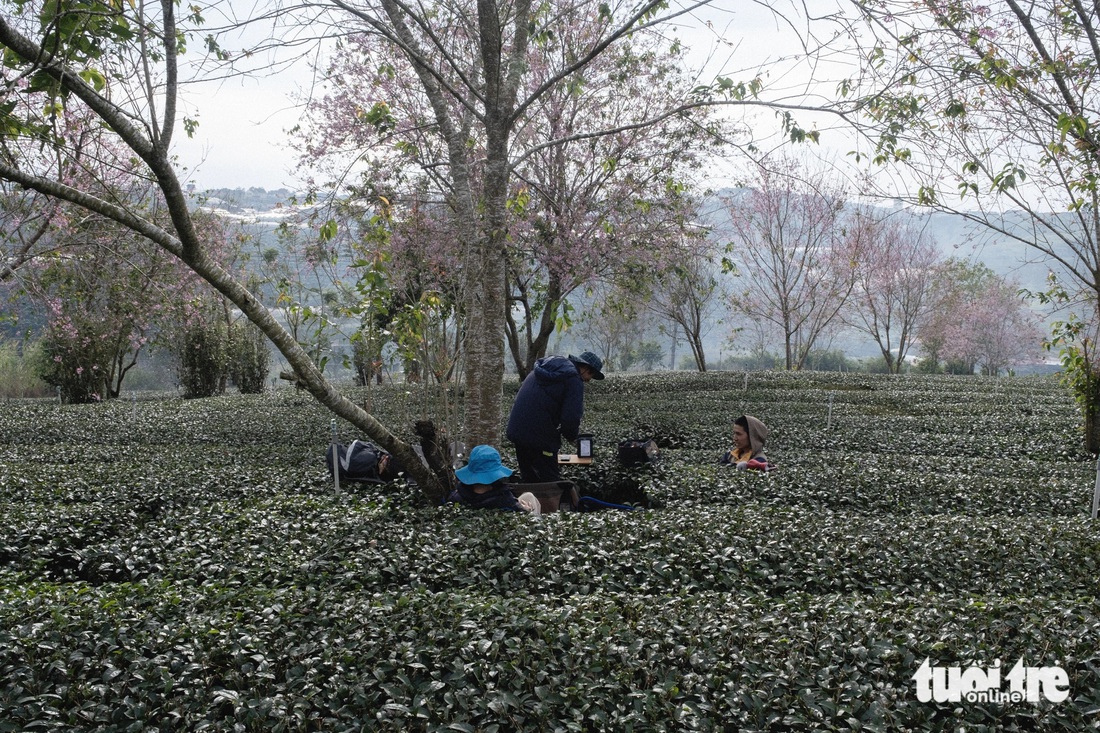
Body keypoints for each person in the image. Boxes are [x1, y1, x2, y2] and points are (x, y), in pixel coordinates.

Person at [506, 351, 604, 483]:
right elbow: (571, 417)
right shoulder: (573, 379)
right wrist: (572, 437)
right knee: (550, 485)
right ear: (585, 368)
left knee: (530, 481)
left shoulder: (542, 368)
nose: (588, 380)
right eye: (590, 375)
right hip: (539, 438)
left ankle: (530, 503)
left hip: (518, 432)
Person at [451, 444, 541, 515]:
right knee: (529, 496)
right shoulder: (505, 500)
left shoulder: (457, 497)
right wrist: (526, 511)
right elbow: (516, 510)